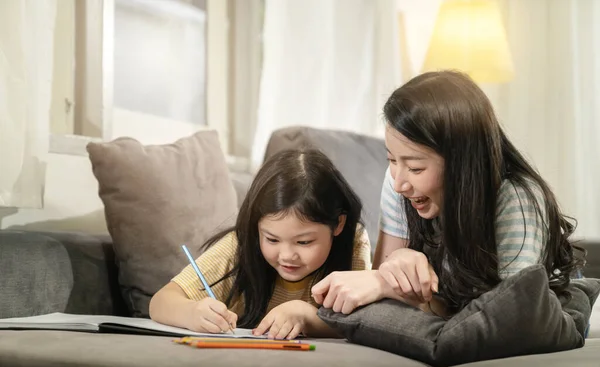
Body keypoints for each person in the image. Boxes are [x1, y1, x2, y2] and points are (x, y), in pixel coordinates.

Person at [312, 70, 584, 316]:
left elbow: (504, 319)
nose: (399, 183)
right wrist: (394, 268)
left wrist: (388, 284)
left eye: (416, 168)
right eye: (392, 160)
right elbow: (382, 297)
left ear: (462, 164)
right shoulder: (399, 184)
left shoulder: (517, 198)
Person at [149, 148, 371, 339]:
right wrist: (192, 312)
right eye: (272, 239)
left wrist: (305, 316)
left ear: (338, 225)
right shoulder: (240, 245)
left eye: (303, 242)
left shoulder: (353, 243)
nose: (286, 255)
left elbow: (363, 322)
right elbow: (160, 301)